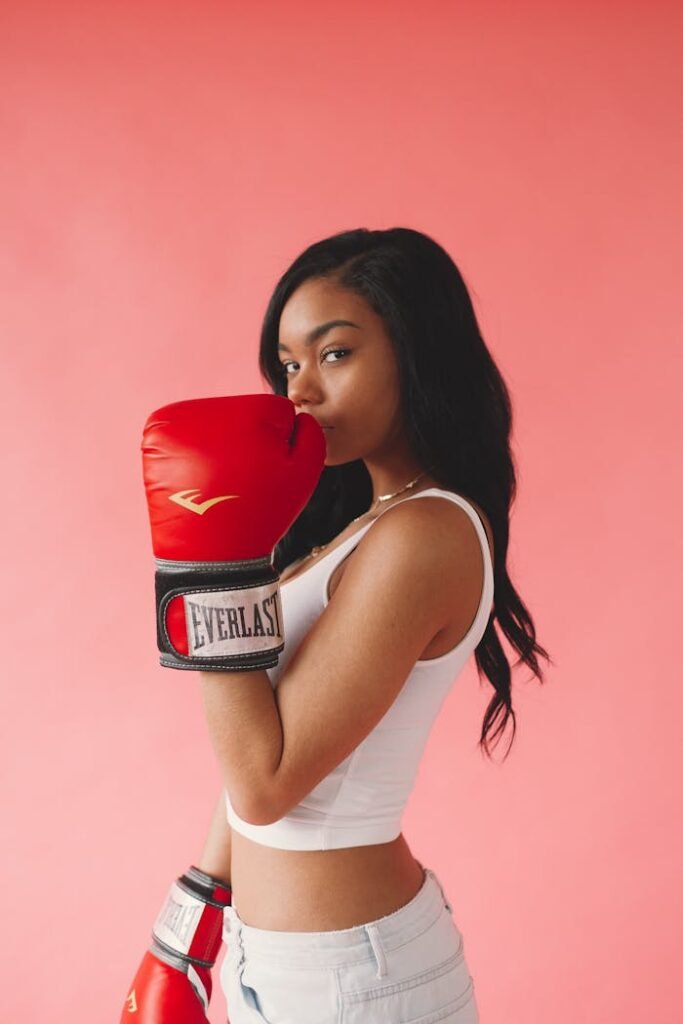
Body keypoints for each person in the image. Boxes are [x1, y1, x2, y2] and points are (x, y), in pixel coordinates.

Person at [121, 227, 551, 1023]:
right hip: (284, 961)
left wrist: (209, 569)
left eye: (335, 354)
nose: (300, 392)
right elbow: (255, 756)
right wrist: (187, 924)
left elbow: (266, 780)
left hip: (353, 981)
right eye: (288, 363)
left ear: (415, 353)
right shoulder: (362, 526)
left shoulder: (425, 535)